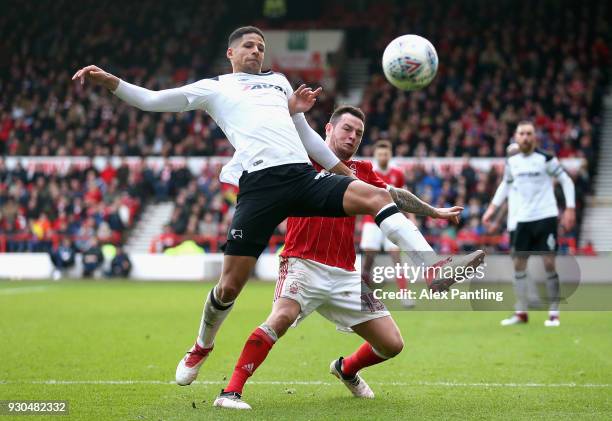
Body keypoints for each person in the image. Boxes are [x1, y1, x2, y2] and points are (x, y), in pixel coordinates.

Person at [73, 25, 484, 385]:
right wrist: (111, 81)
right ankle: (202, 346)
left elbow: (308, 140)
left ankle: (430, 268)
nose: (256, 51)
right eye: (249, 46)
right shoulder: (215, 87)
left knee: (375, 195)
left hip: (300, 179)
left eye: (261, 47)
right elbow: (152, 100)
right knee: (230, 285)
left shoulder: (281, 84)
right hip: (259, 187)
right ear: (231, 53)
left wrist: (345, 173)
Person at [213, 106, 466, 409]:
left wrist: (434, 211)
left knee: (392, 344)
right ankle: (230, 392)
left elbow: (394, 195)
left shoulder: (361, 171)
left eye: (359, 133)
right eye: (347, 129)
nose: (353, 136)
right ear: (328, 130)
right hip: (301, 263)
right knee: (280, 318)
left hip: (345, 274)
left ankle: (346, 369)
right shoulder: (299, 161)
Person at [482, 122, 575, 327]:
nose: (525, 137)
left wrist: (570, 208)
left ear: (535, 137)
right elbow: (504, 186)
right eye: (522, 133)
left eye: (529, 134)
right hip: (521, 220)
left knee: (549, 263)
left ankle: (554, 313)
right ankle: (521, 312)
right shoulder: (512, 163)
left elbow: (566, 181)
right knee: (518, 264)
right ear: (516, 137)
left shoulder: (546, 159)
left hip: (545, 217)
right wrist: (491, 209)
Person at [482, 143, 542, 309]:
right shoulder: (513, 174)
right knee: (518, 261)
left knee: (518, 261)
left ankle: (525, 299)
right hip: (514, 226)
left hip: (525, 224)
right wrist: (496, 222)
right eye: (510, 154)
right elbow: (507, 203)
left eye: (514, 153)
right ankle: (531, 297)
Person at [359, 140, 414, 307]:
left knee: (396, 257)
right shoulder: (370, 172)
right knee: (369, 258)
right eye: (380, 154)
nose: (383, 156)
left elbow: (405, 197)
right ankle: (363, 295)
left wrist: (411, 217)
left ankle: (405, 295)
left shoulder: (398, 173)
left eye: (386, 153)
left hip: (392, 219)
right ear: (376, 155)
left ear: (390, 155)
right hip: (371, 220)